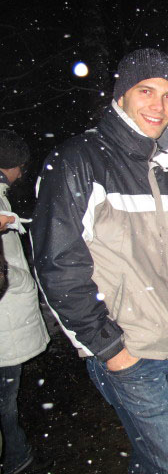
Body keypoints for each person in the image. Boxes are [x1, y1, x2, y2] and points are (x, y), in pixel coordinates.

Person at [31, 48, 168, 473]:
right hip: (129, 350)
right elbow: (56, 263)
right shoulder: (80, 159)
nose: (158, 106)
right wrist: (108, 346)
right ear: (120, 95)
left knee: (150, 459)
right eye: (146, 91)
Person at [0, 130, 51, 474]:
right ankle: (17, 457)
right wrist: (21, 281)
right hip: (5, 322)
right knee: (5, 399)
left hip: (7, 319)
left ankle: (17, 453)